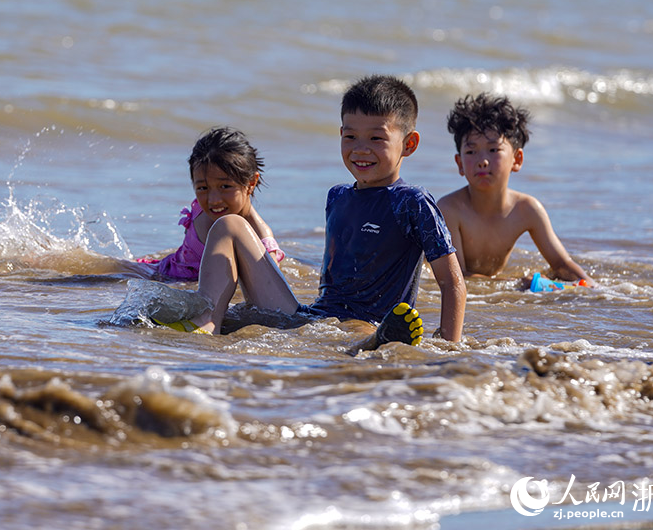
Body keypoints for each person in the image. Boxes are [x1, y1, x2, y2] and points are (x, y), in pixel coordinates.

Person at [158, 75, 465, 348]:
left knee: (363, 335)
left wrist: (448, 346)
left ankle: (377, 342)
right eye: (350, 137)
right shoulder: (337, 196)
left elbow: (452, 282)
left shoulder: (412, 201)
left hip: (367, 323)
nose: (360, 148)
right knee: (229, 225)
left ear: (409, 144)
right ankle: (207, 322)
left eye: (376, 138)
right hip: (312, 319)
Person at [436, 93, 591, 284]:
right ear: (459, 163)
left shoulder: (527, 209)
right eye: (471, 151)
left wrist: (592, 287)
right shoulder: (450, 209)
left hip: (493, 282)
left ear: (516, 160)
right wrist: (518, 283)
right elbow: (456, 279)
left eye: (493, 150)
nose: (482, 161)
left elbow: (562, 263)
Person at [131, 126, 284, 282]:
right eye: (203, 188)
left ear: (251, 183)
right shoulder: (204, 210)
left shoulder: (260, 235)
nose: (213, 200)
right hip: (160, 274)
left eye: (225, 186)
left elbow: (271, 283)